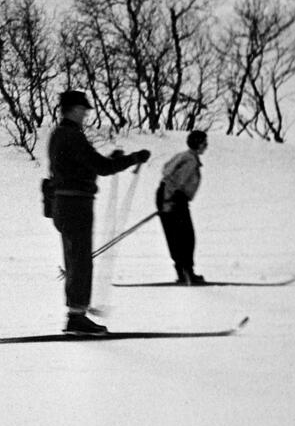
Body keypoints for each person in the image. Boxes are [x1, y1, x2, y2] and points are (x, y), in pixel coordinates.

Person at [47, 90, 150, 334]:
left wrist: (115, 159)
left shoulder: (60, 135)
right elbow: (102, 167)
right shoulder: (72, 136)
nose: (85, 114)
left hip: (63, 204)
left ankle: (76, 314)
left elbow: (83, 166)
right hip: (76, 205)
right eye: (83, 109)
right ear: (73, 109)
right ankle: (77, 318)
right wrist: (134, 158)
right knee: (81, 261)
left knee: (75, 260)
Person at [157, 130, 208, 285]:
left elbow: (166, 169)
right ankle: (186, 273)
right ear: (197, 144)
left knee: (180, 237)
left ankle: (184, 271)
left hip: (172, 198)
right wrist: (170, 201)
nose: (206, 146)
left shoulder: (186, 156)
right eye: (204, 143)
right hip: (174, 199)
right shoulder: (190, 161)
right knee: (184, 237)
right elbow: (174, 180)